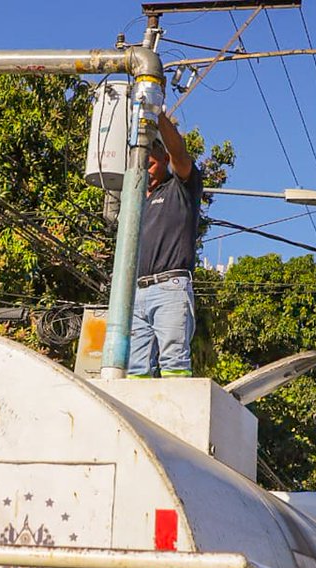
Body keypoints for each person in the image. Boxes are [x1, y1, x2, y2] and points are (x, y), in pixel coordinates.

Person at [127, 112, 203, 378]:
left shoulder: (180, 187)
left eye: (150, 164)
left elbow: (180, 154)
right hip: (135, 291)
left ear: (163, 159)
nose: (145, 170)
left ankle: (175, 417)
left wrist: (155, 114)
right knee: (135, 368)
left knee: (173, 362)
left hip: (169, 286)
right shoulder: (134, 201)